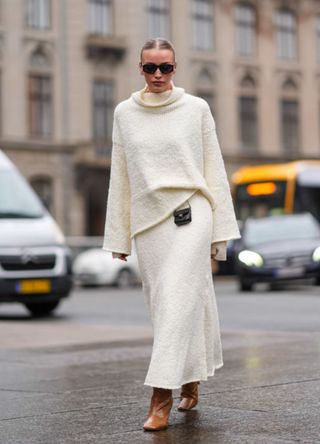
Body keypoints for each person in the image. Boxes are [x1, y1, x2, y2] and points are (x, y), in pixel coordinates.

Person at [102, 37, 241, 431]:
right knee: (167, 306)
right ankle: (191, 376)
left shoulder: (196, 108)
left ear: (176, 68)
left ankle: (160, 395)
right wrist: (119, 235)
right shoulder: (124, 114)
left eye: (166, 67)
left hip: (191, 213)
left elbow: (214, 168)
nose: (159, 74)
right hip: (149, 222)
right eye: (151, 68)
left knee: (179, 296)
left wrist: (220, 232)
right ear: (140, 68)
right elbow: (122, 175)